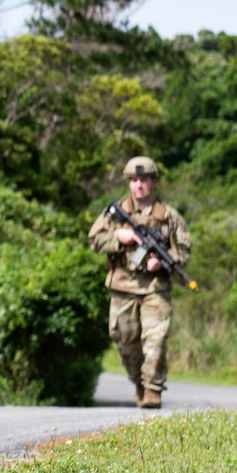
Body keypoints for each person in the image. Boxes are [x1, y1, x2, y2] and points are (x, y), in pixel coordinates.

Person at [86, 156, 192, 409]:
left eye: (144, 180)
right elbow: (94, 241)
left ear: (154, 182)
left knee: (156, 337)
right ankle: (139, 383)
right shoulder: (115, 213)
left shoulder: (168, 216)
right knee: (125, 341)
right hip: (123, 287)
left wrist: (164, 262)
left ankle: (153, 390)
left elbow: (184, 250)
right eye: (134, 180)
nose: (139, 185)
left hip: (155, 288)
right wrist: (118, 237)